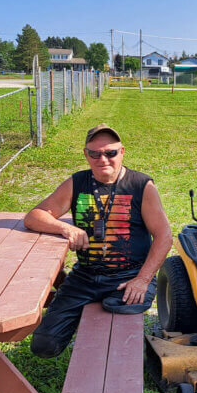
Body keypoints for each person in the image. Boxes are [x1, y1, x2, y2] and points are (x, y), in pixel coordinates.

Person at [24, 123, 172, 358]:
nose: (102, 159)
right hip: (86, 275)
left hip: (128, 276)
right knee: (44, 346)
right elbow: (34, 217)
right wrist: (65, 228)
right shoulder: (77, 183)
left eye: (110, 153)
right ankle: (76, 319)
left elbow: (164, 236)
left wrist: (143, 279)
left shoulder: (141, 185)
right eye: (95, 153)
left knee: (111, 329)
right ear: (86, 154)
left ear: (122, 152)